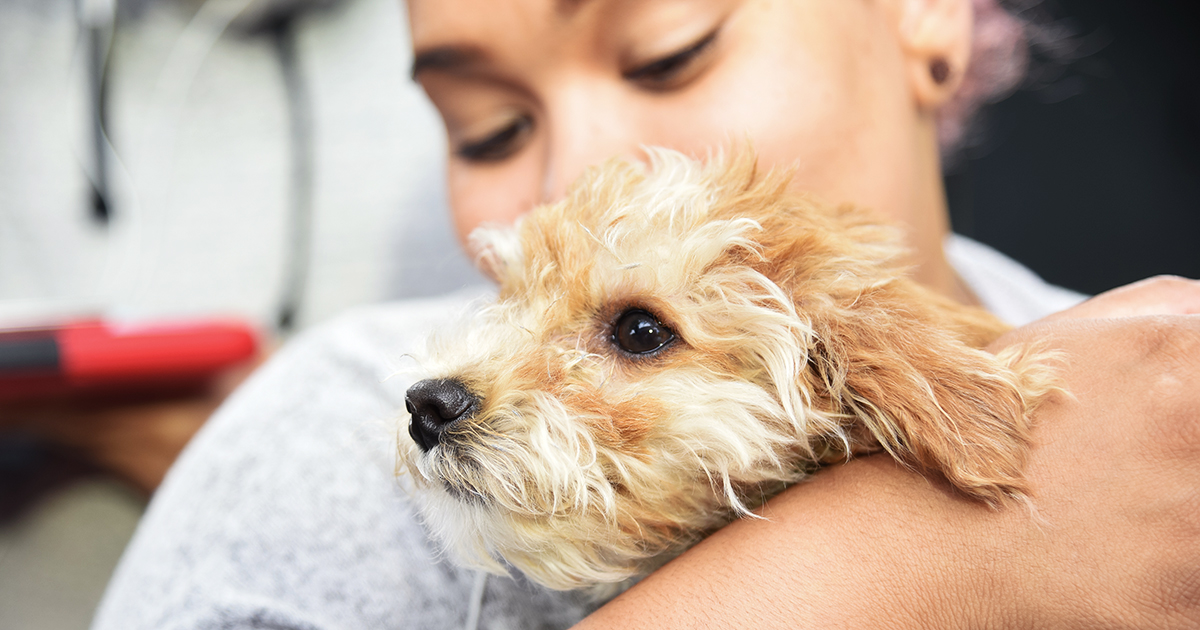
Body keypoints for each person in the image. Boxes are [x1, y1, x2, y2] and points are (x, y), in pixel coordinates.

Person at [92, 0, 1200, 628]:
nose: (577, 175)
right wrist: (894, 565)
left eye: (670, 52)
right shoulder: (318, 444)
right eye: (485, 129)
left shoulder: (1159, 407)